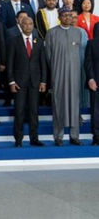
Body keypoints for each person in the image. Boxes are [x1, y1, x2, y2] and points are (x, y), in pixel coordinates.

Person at [44, 8, 83, 146]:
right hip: (58, 73)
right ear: (59, 17)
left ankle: (74, 136)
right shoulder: (51, 33)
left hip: (74, 74)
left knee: (74, 103)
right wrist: (56, 67)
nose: (67, 18)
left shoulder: (77, 32)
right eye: (64, 15)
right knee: (58, 103)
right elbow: (48, 55)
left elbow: (79, 54)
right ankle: (58, 136)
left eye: (70, 15)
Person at [7, 17, 47, 147]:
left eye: (30, 24)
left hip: (35, 82)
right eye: (25, 24)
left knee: (34, 111)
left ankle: (34, 138)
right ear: (20, 25)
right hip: (19, 83)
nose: (28, 26)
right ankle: (18, 139)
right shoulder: (14, 41)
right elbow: (10, 63)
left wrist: (43, 81)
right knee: (19, 111)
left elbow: (43, 63)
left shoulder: (39, 41)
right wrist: (11, 81)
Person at [84, 35, 99, 145]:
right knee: (96, 112)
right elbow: (88, 62)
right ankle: (97, 137)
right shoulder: (92, 43)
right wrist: (91, 79)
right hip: (96, 83)